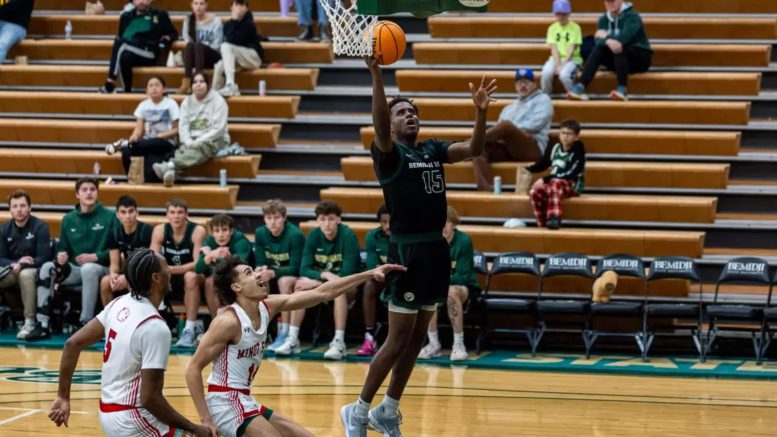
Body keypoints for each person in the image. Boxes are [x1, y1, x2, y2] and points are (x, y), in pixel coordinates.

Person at [339, 57, 496, 436]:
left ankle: (388, 410)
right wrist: (376, 75)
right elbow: (379, 125)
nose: (410, 116)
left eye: (413, 112)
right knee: (396, 339)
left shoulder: (431, 150)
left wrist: (480, 112)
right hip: (406, 253)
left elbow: (475, 148)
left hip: (435, 251)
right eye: (402, 112)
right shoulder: (389, 154)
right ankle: (358, 411)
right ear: (391, 125)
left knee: (416, 340)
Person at [185, 256, 404, 437]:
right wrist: (206, 419)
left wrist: (369, 273)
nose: (258, 275)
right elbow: (192, 369)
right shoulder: (227, 322)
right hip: (225, 402)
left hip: (245, 399)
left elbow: (322, 293)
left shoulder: (267, 306)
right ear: (236, 287)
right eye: (249, 273)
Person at [48, 248, 212, 437]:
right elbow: (150, 399)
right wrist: (193, 428)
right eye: (166, 268)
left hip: (107, 413)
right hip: (132, 419)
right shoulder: (155, 327)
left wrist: (62, 396)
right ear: (156, 278)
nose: (170, 270)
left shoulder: (119, 303)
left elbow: (72, 344)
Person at [29, 177, 115, 340]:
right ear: (77, 194)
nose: (89, 193)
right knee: (47, 267)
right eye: (84, 190)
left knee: (88, 268)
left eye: (92, 189)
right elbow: (63, 249)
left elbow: (116, 250)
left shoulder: (110, 216)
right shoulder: (68, 219)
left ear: (97, 193)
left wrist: (96, 256)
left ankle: (85, 322)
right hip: (75, 270)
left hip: (102, 268)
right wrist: (61, 256)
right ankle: (42, 323)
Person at [273, 200, 360, 361]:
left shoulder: (348, 236)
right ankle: (293, 339)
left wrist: (318, 282)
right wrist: (324, 276)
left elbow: (347, 274)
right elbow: (304, 269)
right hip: (324, 284)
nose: (326, 224)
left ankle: (339, 342)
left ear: (338, 219)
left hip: (348, 288)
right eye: (322, 219)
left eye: (331, 219)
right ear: (317, 220)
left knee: (338, 290)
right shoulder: (313, 235)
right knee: (300, 287)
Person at [472, 67, 553, 192]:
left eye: (526, 82)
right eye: (519, 82)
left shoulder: (543, 100)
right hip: (509, 148)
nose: (522, 85)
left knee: (506, 125)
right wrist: (506, 132)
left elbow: (535, 125)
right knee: (478, 150)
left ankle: (471, 142)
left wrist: (510, 130)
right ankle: (486, 191)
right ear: (515, 86)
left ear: (534, 84)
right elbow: (499, 129)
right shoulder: (509, 108)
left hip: (532, 147)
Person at [418, 206, 479, 362]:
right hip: (440, 286)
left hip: (464, 287)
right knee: (427, 292)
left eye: (446, 222)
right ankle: (434, 344)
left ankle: (459, 344)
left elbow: (462, 276)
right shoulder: (431, 242)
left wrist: (437, 279)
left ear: (454, 224)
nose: (443, 226)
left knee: (451, 292)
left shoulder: (463, 241)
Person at [153, 71, 230, 187]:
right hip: (192, 140)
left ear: (208, 84)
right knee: (183, 150)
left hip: (216, 139)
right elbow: (183, 126)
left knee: (201, 147)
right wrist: (187, 141)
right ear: (191, 86)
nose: (198, 84)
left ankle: (169, 166)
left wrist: (198, 141)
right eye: (195, 82)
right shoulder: (186, 102)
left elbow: (218, 129)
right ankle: (171, 173)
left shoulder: (218, 101)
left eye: (201, 81)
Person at [150, 198, 207, 348]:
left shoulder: (197, 231)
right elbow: (152, 260)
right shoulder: (160, 230)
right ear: (167, 215)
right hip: (168, 276)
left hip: (193, 278)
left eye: (180, 212)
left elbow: (197, 264)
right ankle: (150, 326)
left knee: (190, 276)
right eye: (172, 212)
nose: (176, 216)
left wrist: (172, 269)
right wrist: (166, 271)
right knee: (152, 276)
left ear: (186, 215)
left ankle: (189, 329)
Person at [567, 0, 652, 101]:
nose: (610, 4)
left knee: (619, 47)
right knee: (600, 48)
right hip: (620, 62)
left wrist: (606, 37)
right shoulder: (603, 19)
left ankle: (622, 88)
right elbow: (598, 41)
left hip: (639, 58)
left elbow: (624, 38)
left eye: (613, 1)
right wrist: (607, 40)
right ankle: (581, 86)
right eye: (608, 1)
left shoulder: (632, 16)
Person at [253, 199, 306, 352]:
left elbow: (296, 268)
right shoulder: (260, 233)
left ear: (284, 217)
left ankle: (285, 332)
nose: (272, 222)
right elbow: (260, 261)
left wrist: (273, 272)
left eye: (276, 218)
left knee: (284, 281)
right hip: (272, 275)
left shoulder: (295, 235)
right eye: (268, 218)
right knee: (257, 281)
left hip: (292, 276)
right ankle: (260, 332)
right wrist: (261, 270)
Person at [106, 75, 179, 182]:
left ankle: (124, 143)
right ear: (146, 91)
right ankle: (133, 179)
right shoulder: (143, 105)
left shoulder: (171, 104)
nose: (154, 88)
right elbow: (139, 129)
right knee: (127, 151)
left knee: (154, 143)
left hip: (165, 142)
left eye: (157, 85)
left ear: (164, 89)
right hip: (147, 143)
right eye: (151, 86)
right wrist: (134, 136)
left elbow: (176, 129)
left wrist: (161, 136)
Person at [0, 190, 51, 339]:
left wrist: (22, 265)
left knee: (25, 274)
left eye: (22, 206)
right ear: (10, 209)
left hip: (35, 270)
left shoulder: (40, 226)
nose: (19, 209)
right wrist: (15, 263)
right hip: (12, 270)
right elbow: (1, 258)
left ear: (30, 207)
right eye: (15, 206)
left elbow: (45, 257)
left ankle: (30, 322)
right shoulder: (4, 228)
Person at [99, 0, 177, 94]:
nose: (141, 1)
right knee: (124, 56)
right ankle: (127, 92)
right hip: (131, 51)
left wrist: (164, 42)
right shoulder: (125, 17)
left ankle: (110, 83)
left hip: (149, 52)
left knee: (120, 42)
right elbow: (122, 38)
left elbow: (173, 33)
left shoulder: (159, 15)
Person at [525, 118, 586, 229]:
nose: (565, 136)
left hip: (572, 185)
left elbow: (569, 173)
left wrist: (545, 179)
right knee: (534, 192)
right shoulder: (556, 147)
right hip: (554, 184)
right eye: (563, 133)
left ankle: (554, 217)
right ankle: (542, 223)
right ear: (559, 134)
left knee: (555, 183)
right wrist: (528, 169)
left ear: (576, 137)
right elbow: (543, 163)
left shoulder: (578, 151)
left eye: (569, 134)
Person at [99, 196, 153, 306]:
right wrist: (113, 275)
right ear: (117, 215)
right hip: (128, 272)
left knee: (133, 284)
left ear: (137, 212)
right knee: (105, 282)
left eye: (131, 211)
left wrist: (127, 277)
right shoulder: (114, 233)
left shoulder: (147, 231)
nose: (127, 216)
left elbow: (149, 263)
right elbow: (114, 263)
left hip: (146, 272)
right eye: (123, 212)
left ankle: (135, 315)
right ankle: (110, 315)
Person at [196, 214, 253, 317]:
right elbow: (198, 269)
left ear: (231, 231)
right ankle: (216, 321)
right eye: (217, 231)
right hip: (220, 282)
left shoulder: (240, 241)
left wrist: (214, 257)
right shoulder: (209, 241)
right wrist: (211, 256)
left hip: (242, 279)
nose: (221, 235)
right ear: (212, 233)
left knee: (229, 280)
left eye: (224, 230)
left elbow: (238, 268)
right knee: (209, 282)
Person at [212, 0, 264, 97]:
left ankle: (230, 84)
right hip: (238, 59)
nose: (239, 7)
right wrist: (234, 21)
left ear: (247, 9)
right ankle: (213, 94)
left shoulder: (249, 24)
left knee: (225, 46)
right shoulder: (227, 25)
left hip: (253, 58)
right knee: (219, 65)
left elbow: (234, 40)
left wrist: (235, 20)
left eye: (242, 5)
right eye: (237, 4)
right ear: (231, 7)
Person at [358, 203, 391, 356]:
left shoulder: (406, 236)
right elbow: (372, 267)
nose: (388, 225)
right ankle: (370, 336)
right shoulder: (372, 236)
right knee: (369, 284)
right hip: (383, 279)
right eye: (384, 222)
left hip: (404, 281)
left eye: (391, 221)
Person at [179, 0, 223, 94]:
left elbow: (217, 45)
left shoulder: (216, 21)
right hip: (196, 57)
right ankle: (187, 83)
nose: (198, 6)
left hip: (212, 57)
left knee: (198, 45)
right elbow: (187, 42)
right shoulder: (188, 20)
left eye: (201, 3)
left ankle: (198, 81)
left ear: (206, 5)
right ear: (192, 5)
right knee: (191, 45)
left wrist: (202, 46)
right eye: (196, 3)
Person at [541, 0, 583, 95]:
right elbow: (554, 49)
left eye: (564, 14)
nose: (561, 17)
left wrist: (562, 65)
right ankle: (545, 95)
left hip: (572, 59)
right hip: (555, 59)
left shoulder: (575, 27)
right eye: (558, 14)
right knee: (546, 72)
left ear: (569, 13)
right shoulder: (552, 28)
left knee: (564, 75)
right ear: (554, 14)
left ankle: (573, 93)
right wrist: (558, 64)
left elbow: (571, 49)